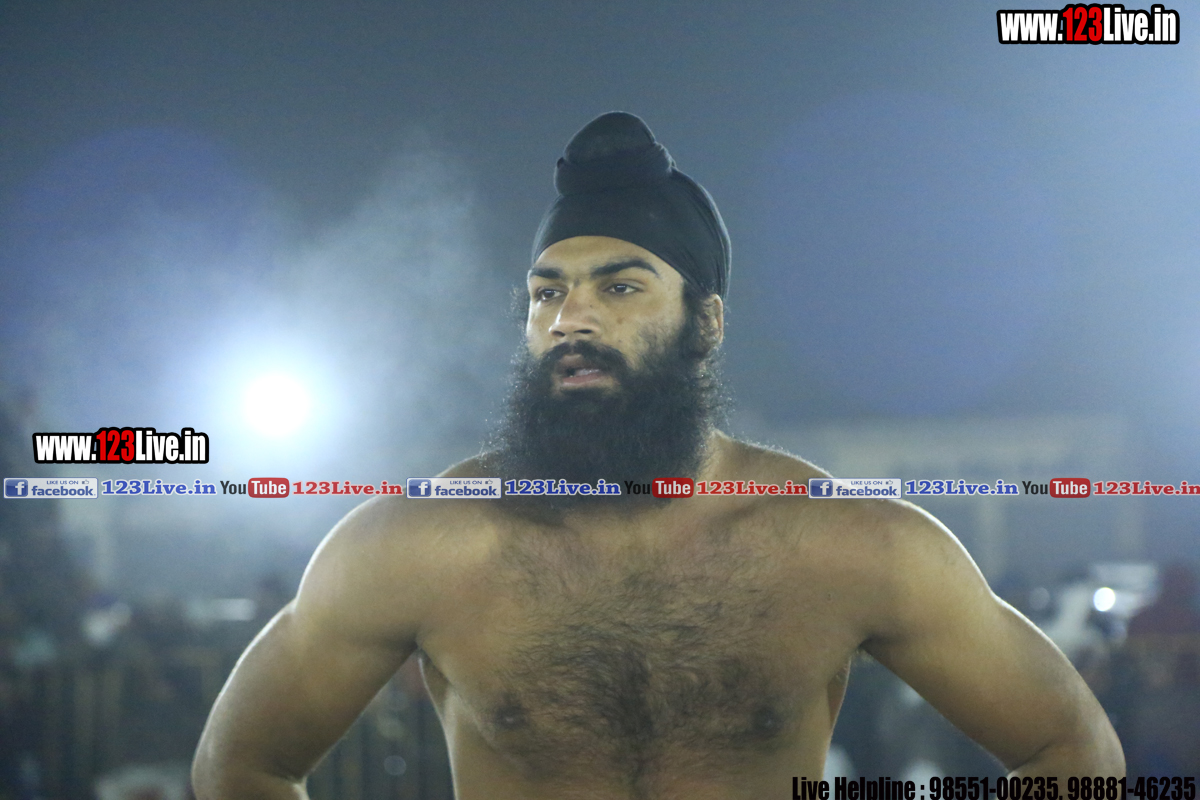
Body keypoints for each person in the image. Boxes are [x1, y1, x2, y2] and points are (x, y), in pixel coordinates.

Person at [192, 112, 1124, 799]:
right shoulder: (420, 543)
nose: (572, 318)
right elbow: (242, 764)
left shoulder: (845, 542)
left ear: (705, 322)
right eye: (546, 294)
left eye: (621, 287)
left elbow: (1071, 750)